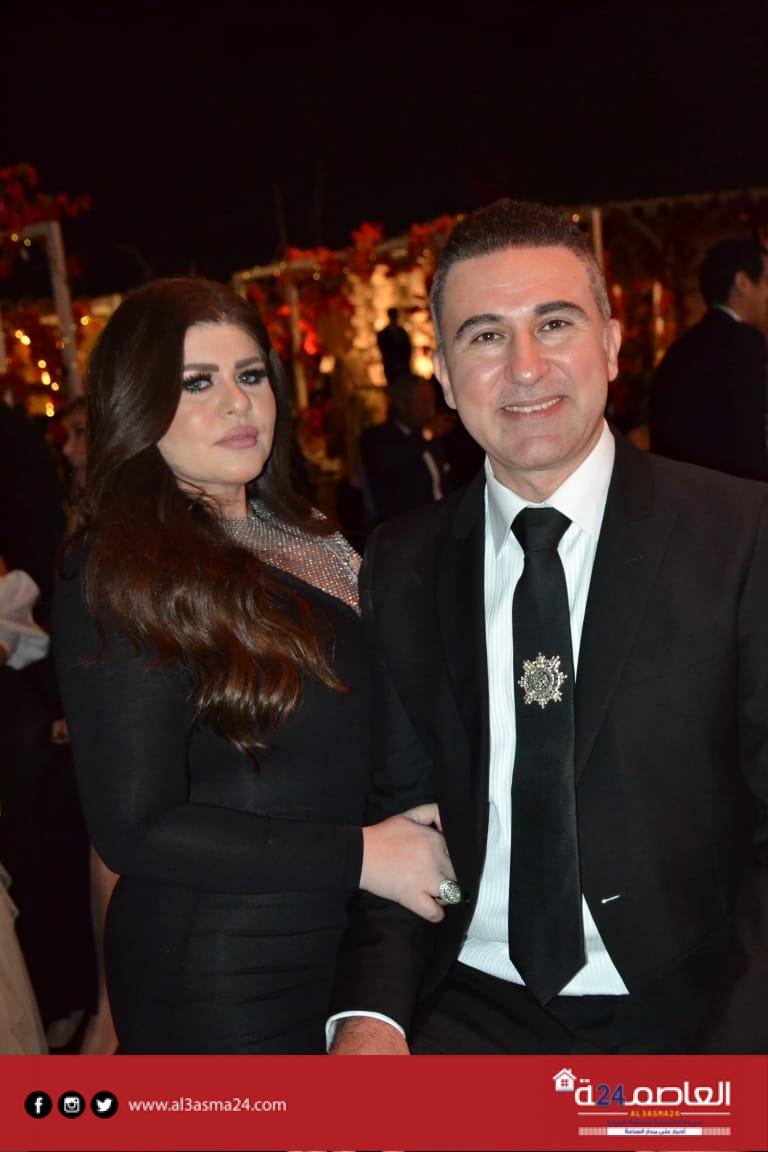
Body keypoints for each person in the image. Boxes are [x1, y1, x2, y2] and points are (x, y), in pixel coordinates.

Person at [330, 199, 768, 1056]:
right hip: (467, 1003)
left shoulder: (742, 536)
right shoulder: (401, 561)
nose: (525, 368)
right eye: (485, 336)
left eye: (555, 324)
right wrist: (371, 1020)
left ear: (612, 344)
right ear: (444, 376)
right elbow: (402, 817)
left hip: (692, 1009)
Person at [52, 277, 454, 1055]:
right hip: (223, 976)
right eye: (196, 382)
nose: (237, 403)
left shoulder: (302, 530)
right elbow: (133, 827)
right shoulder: (120, 563)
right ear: (138, 403)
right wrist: (364, 856)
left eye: (250, 375)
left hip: (344, 940)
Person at [648, 236, 768, 480]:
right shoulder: (745, 343)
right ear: (742, 283)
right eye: (766, 281)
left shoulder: (680, 349)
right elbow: (750, 438)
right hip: (733, 491)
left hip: (682, 487)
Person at [359, 372, 448, 529]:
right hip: (406, 529)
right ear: (401, 404)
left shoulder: (430, 436)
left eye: (432, 402)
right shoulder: (377, 437)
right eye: (423, 402)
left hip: (441, 523)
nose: (431, 410)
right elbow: (389, 463)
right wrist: (426, 435)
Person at [376, 307, 412, 384]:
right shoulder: (383, 334)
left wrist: (404, 362)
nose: (394, 318)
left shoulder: (402, 332)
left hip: (403, 367)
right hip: (391, 368)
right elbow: (384, 350)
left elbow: (408, 348)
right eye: (393, 316)